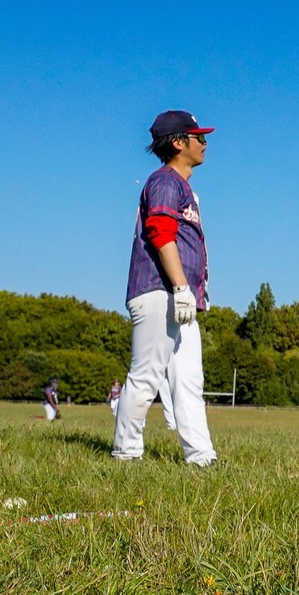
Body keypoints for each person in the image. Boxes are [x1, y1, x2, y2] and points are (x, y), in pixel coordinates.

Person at [113, 110, 218, 466]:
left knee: (189, 381)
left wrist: (192, 289)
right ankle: (126, 454)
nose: (204, 143)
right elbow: (160, 232)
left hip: (179, 296)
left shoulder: (184, 187)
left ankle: (201, 457)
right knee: (145, 376)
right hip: (159, 291)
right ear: (178, 142)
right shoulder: (165, 180)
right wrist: (181, 287)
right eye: (198, 137)